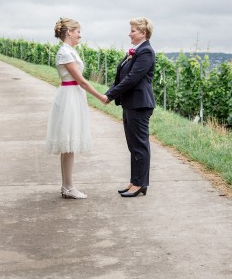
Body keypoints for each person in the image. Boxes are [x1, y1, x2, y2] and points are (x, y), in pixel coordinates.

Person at [46, 18, 108, 199]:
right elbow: (81, 80)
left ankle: (67, 186)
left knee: (69, 144)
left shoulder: (69, 51)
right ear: (70, 32)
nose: (80, 35)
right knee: (69, 142)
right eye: (78, 31)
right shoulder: (65, 53)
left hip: (72, 94)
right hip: (70, 96)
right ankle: (68, 186)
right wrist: (101, 97)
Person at [105, 18, 156, 197]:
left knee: (140, 145)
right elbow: (121, 78)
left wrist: (111, 95)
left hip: (140, 105)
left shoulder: (146, 52)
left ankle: (140, 184)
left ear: (143, 33)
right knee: (133, 145)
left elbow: (132, 79)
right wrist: (109, 92)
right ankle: (135, 181)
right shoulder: (136, 52)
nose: (129, 33)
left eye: (133, 30)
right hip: (131, 104)